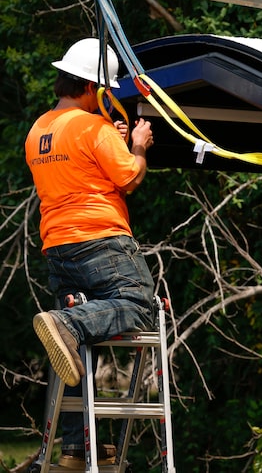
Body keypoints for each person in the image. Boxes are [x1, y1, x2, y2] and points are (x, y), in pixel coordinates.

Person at [25, 38, 156, 468]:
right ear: (93, 87)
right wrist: (136, 145)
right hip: (101, 239)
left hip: (58, 247)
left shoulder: (39, 130)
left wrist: (110, 139)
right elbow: (130, 179)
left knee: (77, 347)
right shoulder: (94, 127)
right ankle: (65, 323)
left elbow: (81, 167)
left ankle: (77, 447)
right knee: (137, 303)